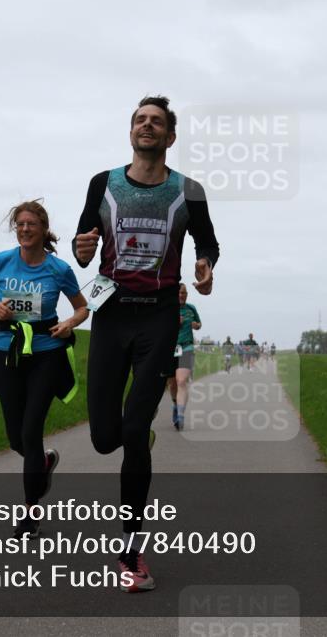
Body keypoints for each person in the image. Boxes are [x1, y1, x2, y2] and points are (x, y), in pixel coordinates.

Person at [73, 95, 219, 592]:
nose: (147, 126)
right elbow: (81, 242)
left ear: (170, 137)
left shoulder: (188, 191)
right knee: (103, 439)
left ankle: (130, 553)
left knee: (133, 433)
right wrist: (82, 248)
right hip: (111, 315)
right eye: (140, 120)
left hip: (159, 317)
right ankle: (137, 436)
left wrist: (205, 266)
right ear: (130, 132)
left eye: (157, 121)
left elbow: (209, 242)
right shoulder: (103, 183)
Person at [0, 200, 88, 539]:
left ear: (42, 229)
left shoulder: (58, 269)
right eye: (19, 224)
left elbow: (82, 309)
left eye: (30, 224)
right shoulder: (0, 262)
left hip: (46, 354)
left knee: (32, 430)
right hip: (5, 353)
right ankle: (44, 462)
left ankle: (29, 513)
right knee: (16, 436)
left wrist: (67, 324)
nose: (24, 229)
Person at [168, 283, 201, 430]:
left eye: (184, 293)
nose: (182, 296)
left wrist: (195, 325)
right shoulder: (168, 308)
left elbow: (199, 324)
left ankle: (180, 415)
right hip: (169, 348)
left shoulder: (191, 308)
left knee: (181, 381)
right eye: (180, 293)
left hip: (186, 346)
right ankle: (176, 405)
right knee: (172, 383)